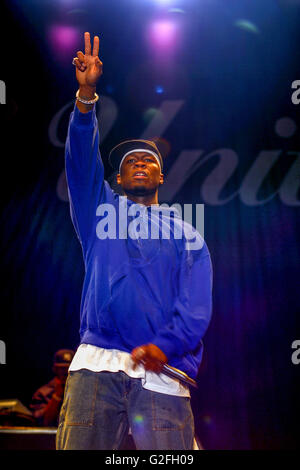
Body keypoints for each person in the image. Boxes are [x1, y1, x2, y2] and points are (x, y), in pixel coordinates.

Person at [56, 32, 213, 450]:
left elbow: (195, 306)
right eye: (129, 162)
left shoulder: (187, 232)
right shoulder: (99, 212)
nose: (139, 164)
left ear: (161, 176)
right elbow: (80, 162)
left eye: (148, 161)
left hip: (163, 374)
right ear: (118, 178)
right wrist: (86, 96)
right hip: (96, 367)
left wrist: (165, 345)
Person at [30, 349, 75, 427]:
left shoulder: (82, 391)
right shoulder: (42, 393)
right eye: (62, 368)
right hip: (50, 438)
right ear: (55, 369)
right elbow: (43, 423)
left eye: (69, 368)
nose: (66, 372)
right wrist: (56, 397)